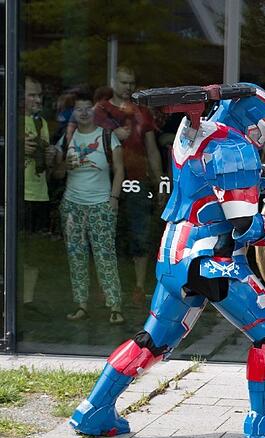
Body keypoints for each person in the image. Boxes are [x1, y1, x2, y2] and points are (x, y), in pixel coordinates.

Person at [70, 84, 265, 438]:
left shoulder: (195, 132)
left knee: (153, 339)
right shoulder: (236, 147)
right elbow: (246, 226)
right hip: (212, 259)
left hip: (173, 256)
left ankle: (94, 409)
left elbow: (240, 177)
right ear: (258, 123)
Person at [52, 89, 126, 324]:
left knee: (105, 255)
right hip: (72, 205)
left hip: (101, 204)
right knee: (76, 255)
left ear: (95, 110)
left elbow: (120, 170)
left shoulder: (107, 136)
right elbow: (56, 173)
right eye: (78, 108)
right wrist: (65, 165)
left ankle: (114, 306)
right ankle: (81, 305)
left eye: (88, 107)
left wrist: (113, 199)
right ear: (73, 112)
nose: (83, 112)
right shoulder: (68, 136)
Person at [95, 65, 166, 306]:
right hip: (105, 180)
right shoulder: (101, 111)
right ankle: (105, 286)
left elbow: (152, 149)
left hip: (137, 179)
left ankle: (137, 286)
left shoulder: (142, 112)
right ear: (114, 81)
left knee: (139, 233)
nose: (128, 88)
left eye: (131, 83)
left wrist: (158, 182)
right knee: (107, 234)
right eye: (124, 82)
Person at [21, 76, 58, 313]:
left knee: (31, 250)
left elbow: (49, 167)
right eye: (32, 94)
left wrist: (51, 155)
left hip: (38, 192)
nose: (37, 99)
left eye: (39, 95)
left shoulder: (42, 123)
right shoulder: (8, 121)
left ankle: (27, 301)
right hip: (17, 194)